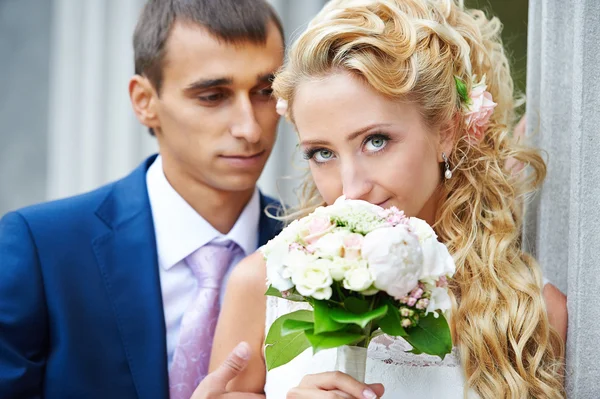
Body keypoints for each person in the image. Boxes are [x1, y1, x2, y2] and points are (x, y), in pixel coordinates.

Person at [209, 0, 567, 398]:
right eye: (322, 153)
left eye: (375, 141)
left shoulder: (530, 315)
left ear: (447, 131)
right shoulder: (262, 285)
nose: (351, 187)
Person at [0, 0, 284, 398]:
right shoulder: (41, 248)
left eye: (265, 91)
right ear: (144, 101)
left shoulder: (324, 250)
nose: (249, 128)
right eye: (213, 96)